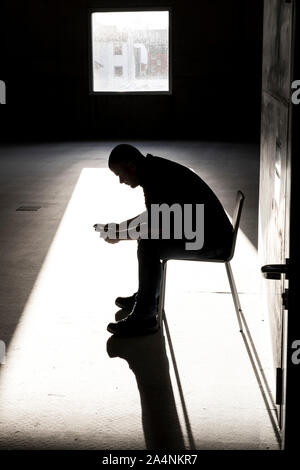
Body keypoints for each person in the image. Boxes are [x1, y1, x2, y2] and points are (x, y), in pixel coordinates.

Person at [94, 144, 233, 336]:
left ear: (131, 166)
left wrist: (119, 234)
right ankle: (148, 298)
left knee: (149, 245)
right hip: (205, 234)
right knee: (148, 242)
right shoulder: (153, 170)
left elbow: (154, 224)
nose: (121, 181)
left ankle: (145, 316)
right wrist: (119, 228)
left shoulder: (154, 177)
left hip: (213, 242)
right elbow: (153, 216)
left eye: (120, 174)